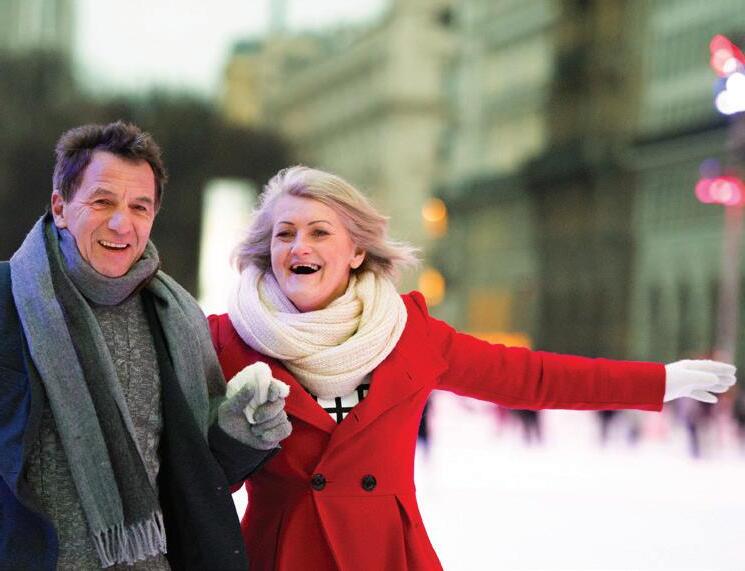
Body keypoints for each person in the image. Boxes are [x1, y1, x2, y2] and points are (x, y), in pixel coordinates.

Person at [208, 165, 737, 571]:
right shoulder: (227, 340)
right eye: (284, 234)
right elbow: (190, 466)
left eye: (319, 232)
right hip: (276, 556)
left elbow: (532, 378)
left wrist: (659, 382)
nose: (299, 246)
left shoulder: (408, 333)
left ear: (356, 252)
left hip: (387, 555)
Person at [0, 121, 291, 570]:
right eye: (102, 202)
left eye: (140, 207)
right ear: (60, 207)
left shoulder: (178, 316)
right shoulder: (8, 299)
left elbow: (198, 479)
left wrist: (244, 429)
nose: (122, 224)